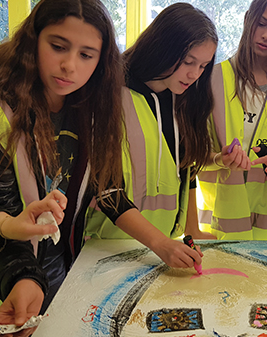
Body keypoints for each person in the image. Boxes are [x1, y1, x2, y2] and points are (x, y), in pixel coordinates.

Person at [0, 0, 202, 328]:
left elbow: (107, 188)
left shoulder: (92, 106)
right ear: (33, 39)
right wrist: (24, 278)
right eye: (58, 46)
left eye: (86, 55)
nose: (69, 66)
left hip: (64, 275)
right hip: (2, 287)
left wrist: (161, 244)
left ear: (101, 60)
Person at [84, 2, 217, 241]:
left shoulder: (183, 100)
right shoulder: (110, 91)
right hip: (104, 243)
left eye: (203, 66)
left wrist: (192, 229)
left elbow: (185, 167)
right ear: (163, 48)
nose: (194, 74)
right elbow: (104, 187)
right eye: (188, 62)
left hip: (161, 247)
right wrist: (162, 244)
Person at [198, 0, 267, 240]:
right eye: (261, 23)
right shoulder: (213, 79)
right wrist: (220, 158)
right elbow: (191, 154)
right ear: (248, 18)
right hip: (218, 228)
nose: (266, 35)